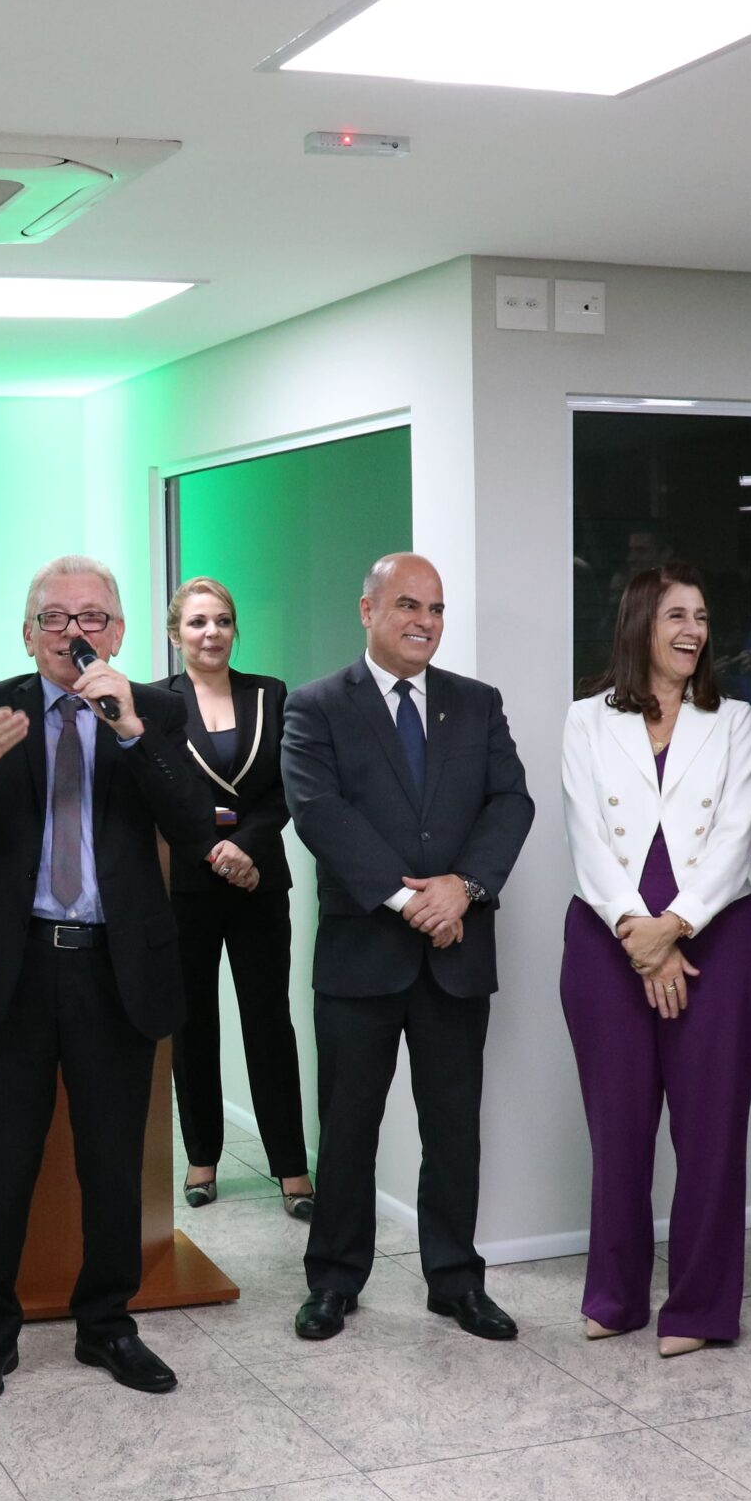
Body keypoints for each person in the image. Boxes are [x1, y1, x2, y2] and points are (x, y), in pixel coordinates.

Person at [0, 555, 215, 1409]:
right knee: (1, 1167)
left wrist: (129, 731)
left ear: (118, 633)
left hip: (115, 969)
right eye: (54, 618)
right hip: (14, 970)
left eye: (92, 618)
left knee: (112, 1163)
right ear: (27, 633)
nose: (73, 633)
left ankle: (107, 1324)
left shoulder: (153, 707)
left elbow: (196, 826)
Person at [282, 553, 533, 1344]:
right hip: (362, 956)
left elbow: (511, 801)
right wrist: (412, 901)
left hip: (457, 954)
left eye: (435, 608)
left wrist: (464, 887)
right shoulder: (317, 706)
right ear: (368, 610)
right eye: (406, 605)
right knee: (349, 1123)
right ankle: (334, 1281)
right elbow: (319, 813)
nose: (423, 621)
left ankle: (455, 1279)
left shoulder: (476, 702)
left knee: (455, 1125)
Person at [559, 566, 751, 1356]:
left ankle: (702, 1308)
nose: (692, 629)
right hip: (610, 934)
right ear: (641, 621)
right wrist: (640, 937)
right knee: (618, 1127)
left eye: (703, 616)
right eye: (676, 614)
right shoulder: (585, 719)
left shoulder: (734, 719)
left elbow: (735, 837)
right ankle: (614, 1296)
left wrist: (674, 926)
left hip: (714, 931)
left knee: (712, 1130)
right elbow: (586, 835)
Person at [159, 577, 312, 1219]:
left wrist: (246, 846)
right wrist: (211, 851)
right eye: (197, 623)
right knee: (192, 1023)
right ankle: (202, 1157)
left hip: (258, 882)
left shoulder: (269, 694)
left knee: (268, 1021)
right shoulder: (156, 704)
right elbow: (160, 791)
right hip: (189, 886)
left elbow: (286, 787)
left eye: (221, 620)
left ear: (234, 629)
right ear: (176, 634)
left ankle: (291, 1167)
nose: (211, 633)